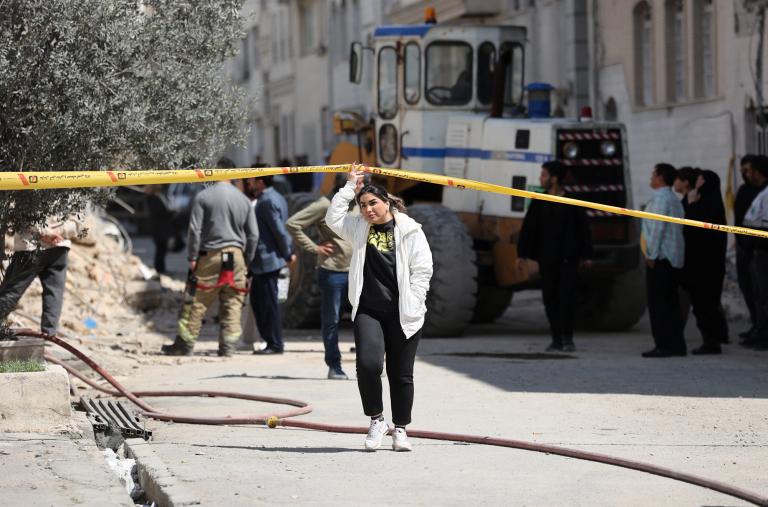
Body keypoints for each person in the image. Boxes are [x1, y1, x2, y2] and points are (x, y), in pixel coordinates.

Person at [326, 164, 433, 452]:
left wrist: (415, 300)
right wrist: (350, 186)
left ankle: (401, 429)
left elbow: (423, 269)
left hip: (403, 312)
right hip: (369, 310)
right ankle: (377, 420)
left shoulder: (410, 230)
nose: (368, 209)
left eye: (373, 203)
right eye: (363, 205)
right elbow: (332, 217)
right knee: (368, 365)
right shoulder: (358, 227)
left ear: (386, 202)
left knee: (401, 374)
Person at [162, 178, 258, 356]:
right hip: (236, 256)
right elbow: (253, 235)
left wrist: (192, 256)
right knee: (233, 302)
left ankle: (185, 345)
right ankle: (228, 347)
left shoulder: (203, 196)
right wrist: (247, 259)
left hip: (210, 255)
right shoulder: (244, 200)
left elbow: (195, 229)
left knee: (196, 301)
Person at [286, 174, 362, 380]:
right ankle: (334, 365)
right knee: (332, 320)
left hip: (358, 271)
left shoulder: (359, 204)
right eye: (358, 183)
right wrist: (315, 248)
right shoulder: (324, 205)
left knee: (365, 319)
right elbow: (293, 224)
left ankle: (367, 365)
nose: (362, 187)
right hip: (332, 272)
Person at [517, 160, 592, 352]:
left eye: (544, 175)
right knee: (550, 298)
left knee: (567, 297)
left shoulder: (572, 201)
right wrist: (522, 254)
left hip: (568, 259)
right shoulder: (539, 201)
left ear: (554, 178)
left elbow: (583, 229)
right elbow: (528, 228)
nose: (540, 178)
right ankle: (556, 339)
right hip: (547, 259)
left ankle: (568, 338)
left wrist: (587, 255)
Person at [0, 215, 83, 335]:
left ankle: (48, 337)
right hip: (59, 247)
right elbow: (77, 222)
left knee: (11, 291)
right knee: (54, 294)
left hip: (30, 247)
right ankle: (49, 336)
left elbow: (24, 214)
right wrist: (59, 232)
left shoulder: (27, 199)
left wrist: (45, 232)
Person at [680, 169, 729, 354]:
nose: (698, 182)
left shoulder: (710, 206)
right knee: (704, 303)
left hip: (707, 264)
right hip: (699, 263)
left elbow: (695, 227)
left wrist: (691, 205)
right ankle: (713, 338)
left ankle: (712, 342)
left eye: (701, 180)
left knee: (706, 303)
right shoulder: (702, 201)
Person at [641, 163, 687, 358]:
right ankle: (676, 344)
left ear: (660, 177)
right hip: (672, 257)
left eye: (654, 174)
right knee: (671, 303)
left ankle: (664, 344)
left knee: (659, 304)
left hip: (661, 258)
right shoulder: (673, 199)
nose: (651, 177)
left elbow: (657, 228)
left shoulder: (661, 199)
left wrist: (651, 254)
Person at [249, 175, 295, 355]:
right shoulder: (276, 197)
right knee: (260, 301)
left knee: (268, 305)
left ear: (260, 182)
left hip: (267, 260)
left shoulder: (267, 201)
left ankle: (275, 343)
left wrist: (287, 253)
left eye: (252, 180)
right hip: (267, 260)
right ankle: (271, 341)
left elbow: (278, 230)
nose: (249, 183)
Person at [734, 155, 763, 342]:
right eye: (743, 171)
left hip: (758, 247)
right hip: (744, 246)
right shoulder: (744, 190)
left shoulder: (763, 192)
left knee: (760, 292)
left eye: (747, 170)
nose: (745, 174)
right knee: (748, 288)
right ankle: (756, 325)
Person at [743, 155, 768, 350]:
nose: (746, 174)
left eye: (749, 170)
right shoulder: (761, 192)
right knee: (759, 296)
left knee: (765, 297)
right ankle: (760, 332)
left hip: (764, 251)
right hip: (757, 250)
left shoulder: (766, 195)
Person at [144, 185, 174, 274]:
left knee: (162, 249)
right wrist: (171, 213)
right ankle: (159, 269)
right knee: (161, 249)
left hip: (161, 227)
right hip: (159, 227)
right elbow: (160, 212)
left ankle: (161, 268)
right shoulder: (153, 198)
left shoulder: (157, 196)